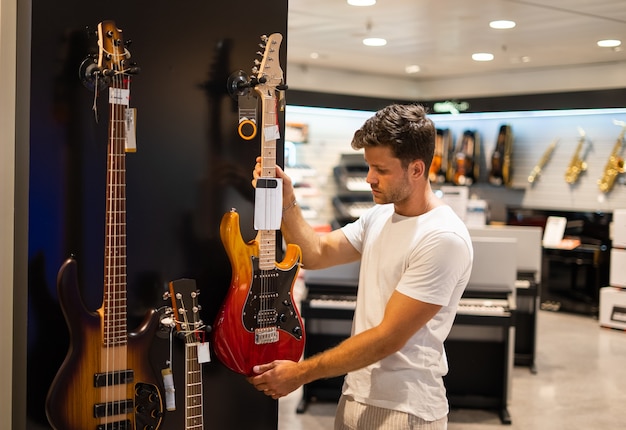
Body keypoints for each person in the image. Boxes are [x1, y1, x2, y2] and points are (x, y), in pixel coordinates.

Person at [248, 104, 473, 430]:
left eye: (380, 169)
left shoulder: (442, 238)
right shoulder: (380, 215)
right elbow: (316, 253)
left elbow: (387, 338)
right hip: (356, 395)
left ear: (416, 169)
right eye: (368, 166)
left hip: (405, 411)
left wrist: (301, 373)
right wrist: (288, 202)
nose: (369, 178)